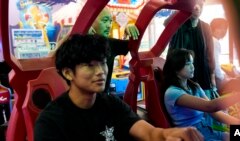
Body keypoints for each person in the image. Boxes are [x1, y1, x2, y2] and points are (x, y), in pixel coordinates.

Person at [34, 34, 204, 141]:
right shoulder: (51, 121)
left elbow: (150, 134)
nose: (101, 72)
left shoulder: (112, 105)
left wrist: (169, 134)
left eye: (102, 63)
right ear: (68, 73)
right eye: (90, 65)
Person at [162, 48, 240, 141]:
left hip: (208, 131)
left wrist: (239, 123)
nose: (192, 67)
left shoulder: (194, 86)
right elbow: (210, 106)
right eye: (188, 64)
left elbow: (214, 113)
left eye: (192, 63)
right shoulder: (172, 92)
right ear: (176, 69)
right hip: (194, 136)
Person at [167, 0, 217, 100]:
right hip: (181, 75)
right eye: (193, 4)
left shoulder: (206, 27)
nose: (197, 7)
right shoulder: (177, 24)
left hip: (203, 74)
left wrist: (212, 78)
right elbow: (167, 23)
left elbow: (210, 54)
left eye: (200, 4)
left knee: (206, 106)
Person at [88, 7, 139, 93]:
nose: (109, 25)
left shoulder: (110, 43)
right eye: (104, 21)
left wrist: (130, 28)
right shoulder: (78, 44)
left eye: (110, 21)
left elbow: (134, 45)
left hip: (103, 99)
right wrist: (81, 31)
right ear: (90, 21)